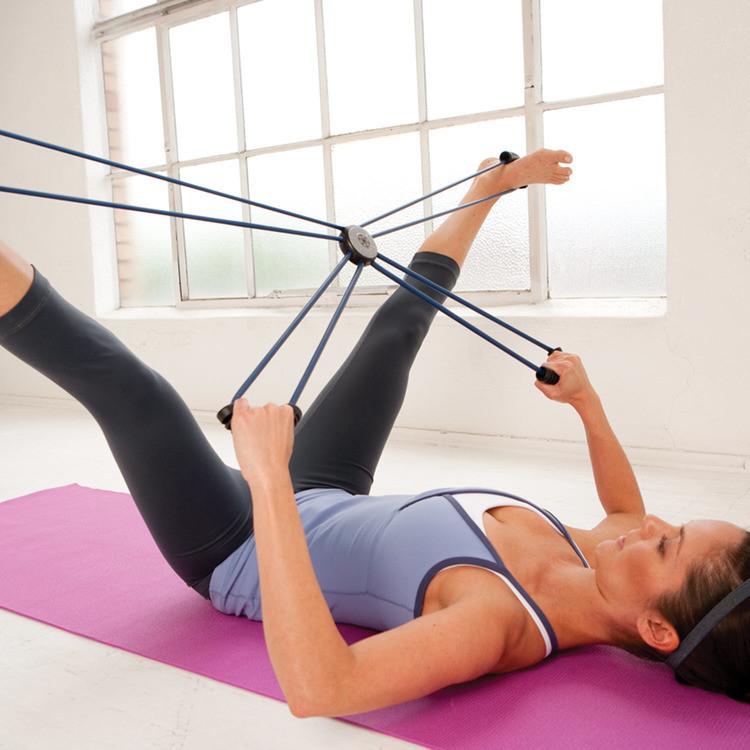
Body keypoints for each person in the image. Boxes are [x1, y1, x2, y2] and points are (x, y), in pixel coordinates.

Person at [1, 149, 747, 719]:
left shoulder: (497, 622)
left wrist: (265, 479)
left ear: (654, 628)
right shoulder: (597, 558)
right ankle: (481, 192)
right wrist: (588, 406)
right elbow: (623, 508)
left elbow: (323, 689)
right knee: (396, 331)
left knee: (135, 394)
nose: (647, 524)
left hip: (240, 545)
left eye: (666, 544)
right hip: (321, 492)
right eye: (672, 524)